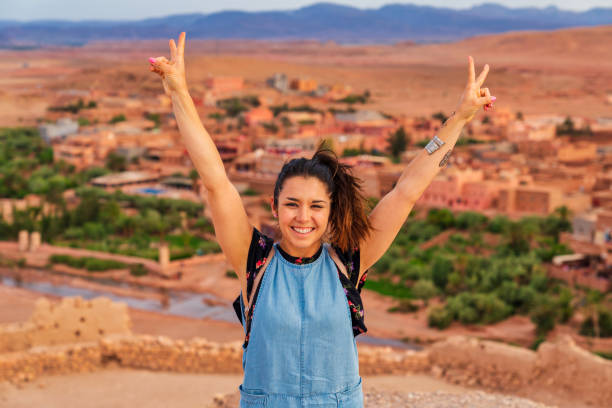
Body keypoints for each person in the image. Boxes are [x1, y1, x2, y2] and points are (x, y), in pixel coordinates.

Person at [149, 32, 495, 408]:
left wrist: (458, 119)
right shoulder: (254, 261)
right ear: (274, 205)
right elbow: (215, 180)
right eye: (292, 204)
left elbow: (406, 191)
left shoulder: (349, 261)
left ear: (330, 211)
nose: (302, 217)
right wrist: (179, 93)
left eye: (316, 206)